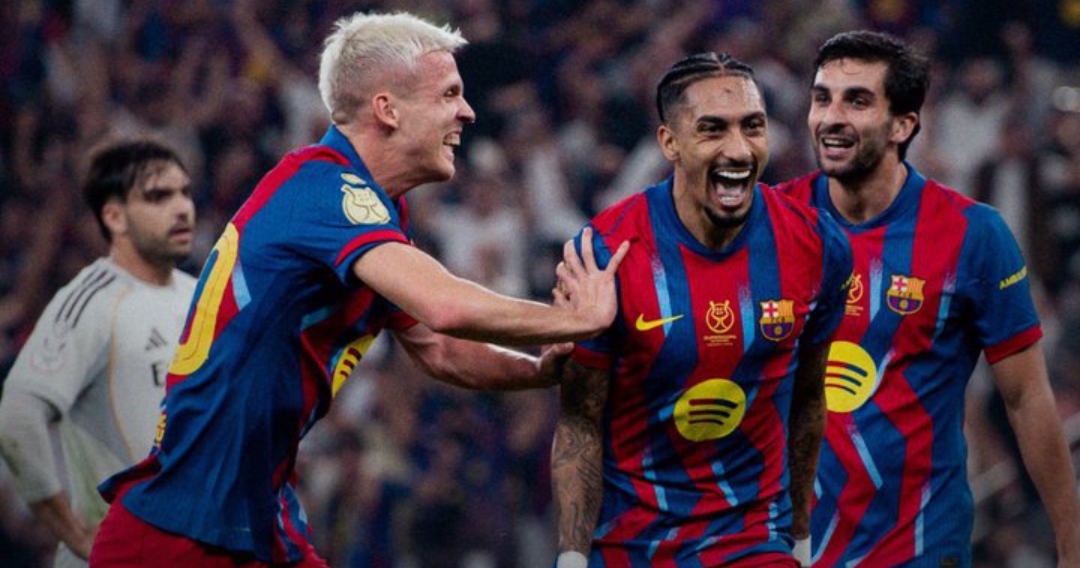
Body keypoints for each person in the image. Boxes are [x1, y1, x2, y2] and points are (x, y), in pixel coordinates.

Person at [88, 11, 628, 568]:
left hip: (251, 515)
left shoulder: (372, 213)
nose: (467, 111)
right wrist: (578, 319)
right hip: (178, 530)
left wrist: (539, 369)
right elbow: (444, 307)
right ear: (387, 109)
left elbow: (440, 349)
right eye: (448, 94)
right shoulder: (326, 188)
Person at [774, 30, 1080, 567]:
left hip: (917, 547)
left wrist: (1071, 539)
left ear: (903, 124)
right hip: (784, 547)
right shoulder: (769, 224)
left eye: (857, 101)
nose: (831, 117)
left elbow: (1026, 398)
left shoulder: (973, 235)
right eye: (823, 98)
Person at [550, 52, 852, 568]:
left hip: (753, 539)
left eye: (752, 126)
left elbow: (808, 398)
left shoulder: (816, 245)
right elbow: (580, 420)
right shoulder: (606, 254)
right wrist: (573, 558)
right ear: (669, 142)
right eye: (713, 129)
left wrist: (800, 540)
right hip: (631, 545)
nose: (739, 149)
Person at [0, 138, 198, 568]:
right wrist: (74, 534)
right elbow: (17, 415)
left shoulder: (200, 298)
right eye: (159, 196)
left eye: (185, 192)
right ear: (114, 216)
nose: (182, 208)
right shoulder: (92, 301)